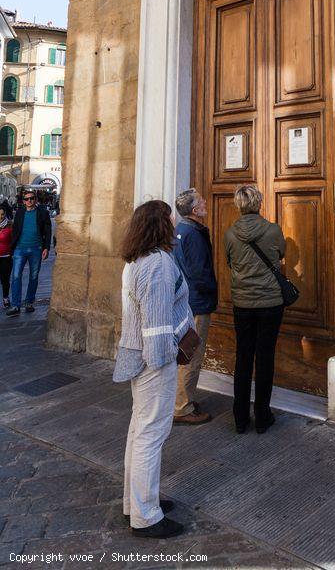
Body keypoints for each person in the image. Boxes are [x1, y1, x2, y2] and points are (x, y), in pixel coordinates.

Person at [113, 200, 194, 539]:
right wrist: (165, 361)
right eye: (170, 220)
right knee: (150, 435)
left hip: (137, 355)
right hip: (154, 359)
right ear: (160, 226)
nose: (174, 225)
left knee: (139, 431)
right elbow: (157, 322)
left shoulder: (136, 261)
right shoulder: (159, 263)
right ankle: (146, 516)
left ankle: (136, 502)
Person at [224, 184, 286, 434]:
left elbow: (229, 262)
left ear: (238, 205)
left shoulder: (230, 234)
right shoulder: (273, 230)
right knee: (265, 357)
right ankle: (262, 415)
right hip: (270, 303)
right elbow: (281, 253)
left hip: (243, 303)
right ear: (258, 203)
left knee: (243, 357)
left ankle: (240, 418)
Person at [172, 188, 218, 426]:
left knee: (185, 354)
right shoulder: (193, 234)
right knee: (192, 355)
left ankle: (182, 399)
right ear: (194, 210)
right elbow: (201, 273)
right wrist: (213, 291)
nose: (205, 203)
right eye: (201, 201)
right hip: (198, 303)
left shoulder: (180, 231)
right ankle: (182, 407)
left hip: (187, 301)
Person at [6, 190, 51, 316]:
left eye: (31, 198)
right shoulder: (20, 213)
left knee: (33, 276)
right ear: (23, 201)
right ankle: (15, 305)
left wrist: (46, 247)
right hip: (20, 249)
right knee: (15, 277)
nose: (29, 201)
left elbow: (48, 231)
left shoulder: (43, 213)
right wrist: (13, 247)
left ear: (35, 199)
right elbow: (15, 230)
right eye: (26, 199)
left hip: (36, 249)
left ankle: (29, 302)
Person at [0, 205, 13, 310]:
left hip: (6, 257)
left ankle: (5, 297)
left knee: (5, 279)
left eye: (2, 214)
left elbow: (14, 240)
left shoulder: (10, 225)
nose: (0, 216)